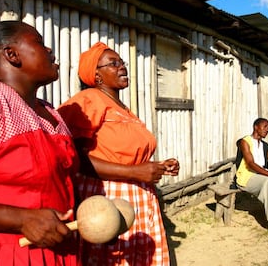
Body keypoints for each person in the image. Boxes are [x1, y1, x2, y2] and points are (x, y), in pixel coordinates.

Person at [58, 42, 180, 266]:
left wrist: (158, 166)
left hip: (138, 194)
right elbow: (72, 157)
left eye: (122, 62)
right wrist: (133, 172)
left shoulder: (123, 109)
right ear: (96, 75)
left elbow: (120, 153)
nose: (122, 67)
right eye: (113, 64)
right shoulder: (89, 100)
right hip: (108, 197)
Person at [0, 21, 79, 265]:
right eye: (40, 43)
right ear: (12, 55)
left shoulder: (49, 111)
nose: (50, 51)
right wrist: (22, 219)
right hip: (9, 255)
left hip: (62, 253)